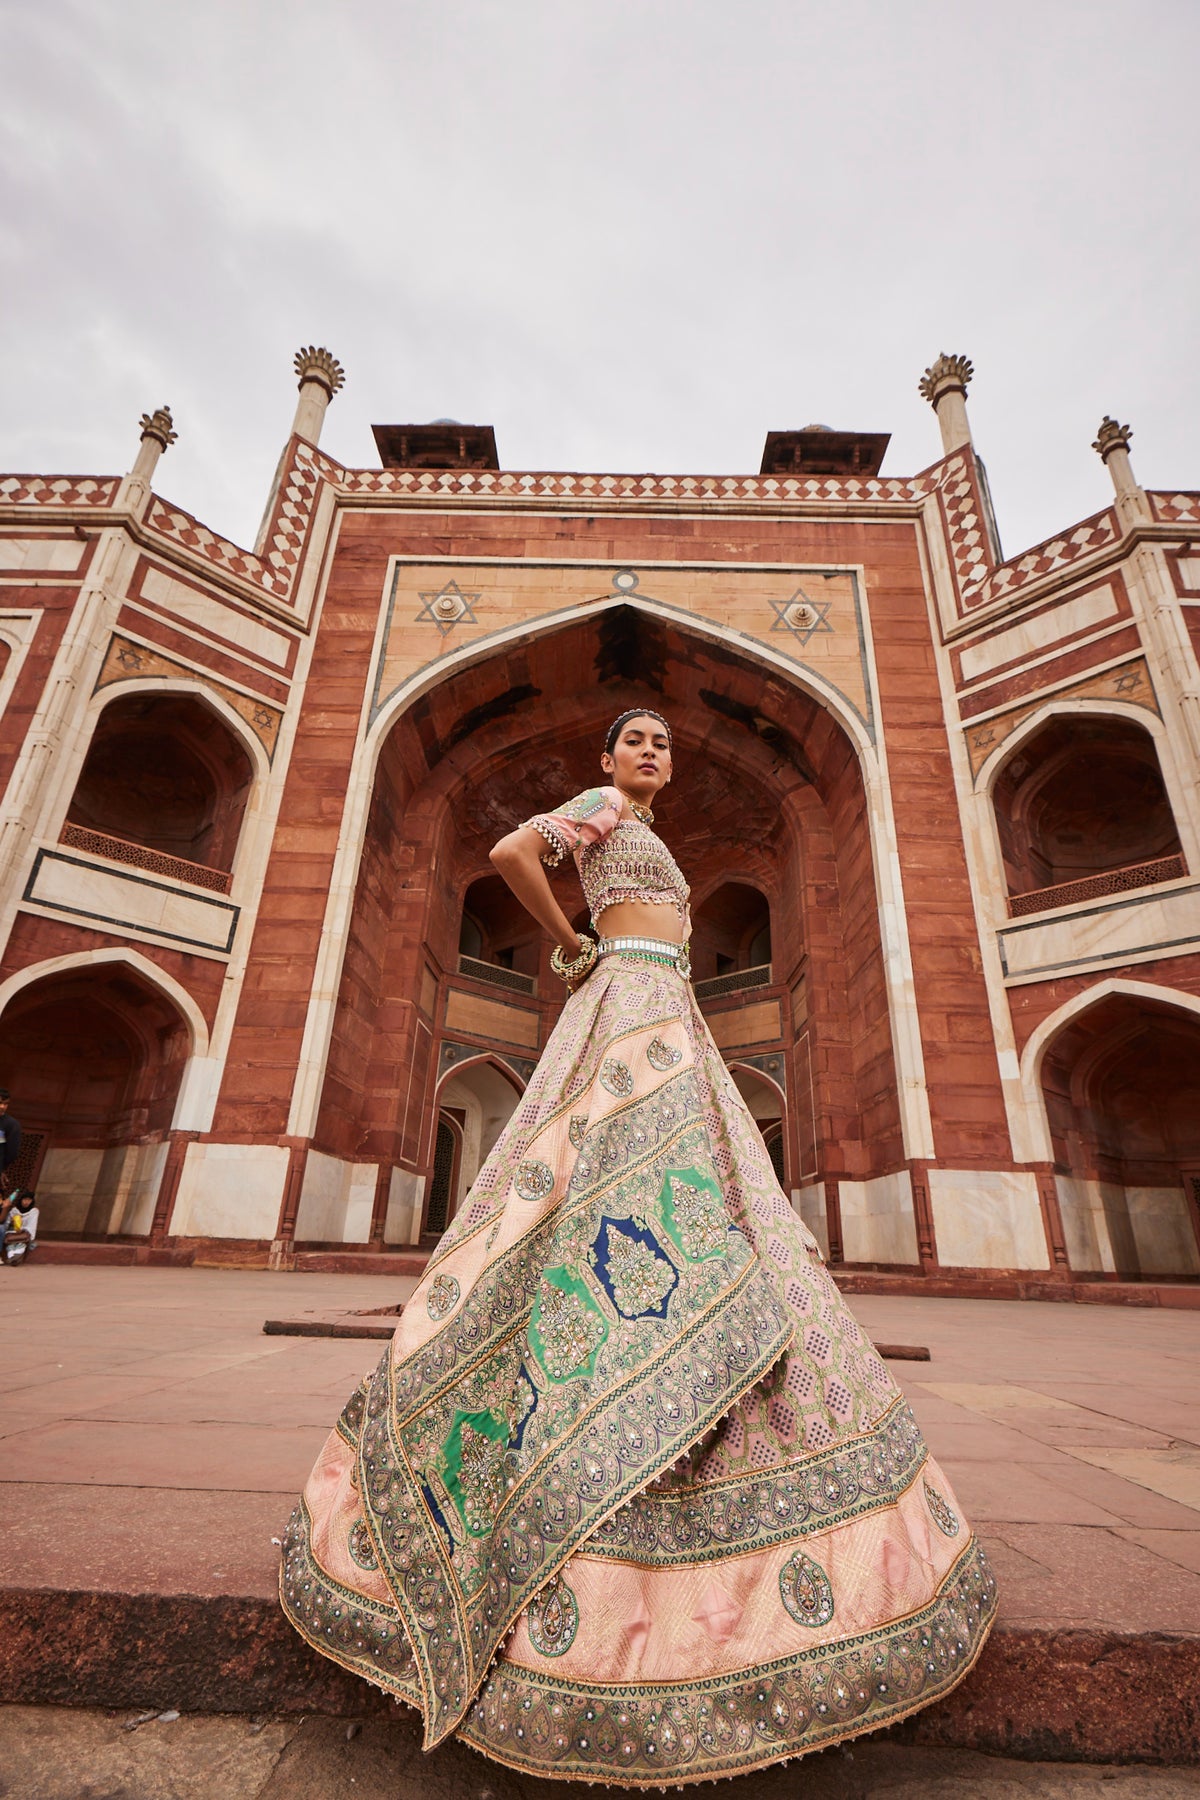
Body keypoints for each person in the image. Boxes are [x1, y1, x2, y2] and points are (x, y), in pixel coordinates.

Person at [280, 709, 995, 1784]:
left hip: (669, 1008)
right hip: (628, 1006)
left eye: (663, 742)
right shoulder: (605, 810)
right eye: (636, 741)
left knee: (690, 1201)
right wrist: (572, 942)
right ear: (607, 763)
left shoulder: (643, 825)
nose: (652, 752)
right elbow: (513, 850)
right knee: (631, 1191)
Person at [0, 1091, 22, 1192]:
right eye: (0, 1103)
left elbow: (11, 1152)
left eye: (6, 1104)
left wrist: (1, 1169)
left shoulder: (11, 1124)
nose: (2, 1107)